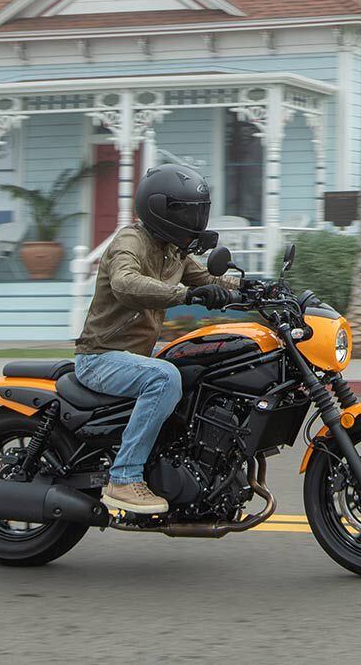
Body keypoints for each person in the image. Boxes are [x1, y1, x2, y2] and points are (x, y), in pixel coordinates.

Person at [74, 162, 237, 516]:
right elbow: (125, 282)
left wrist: (257, 288)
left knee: (201, 366)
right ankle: (123, 476)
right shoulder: (131, 241)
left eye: (198, 212)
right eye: (187, 212)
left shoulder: (173, 249)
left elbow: (210, 279)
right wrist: (184, 296)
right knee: (165, 378)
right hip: (100, 356)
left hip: (134, 357)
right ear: (162, 210)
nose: (196, 221)